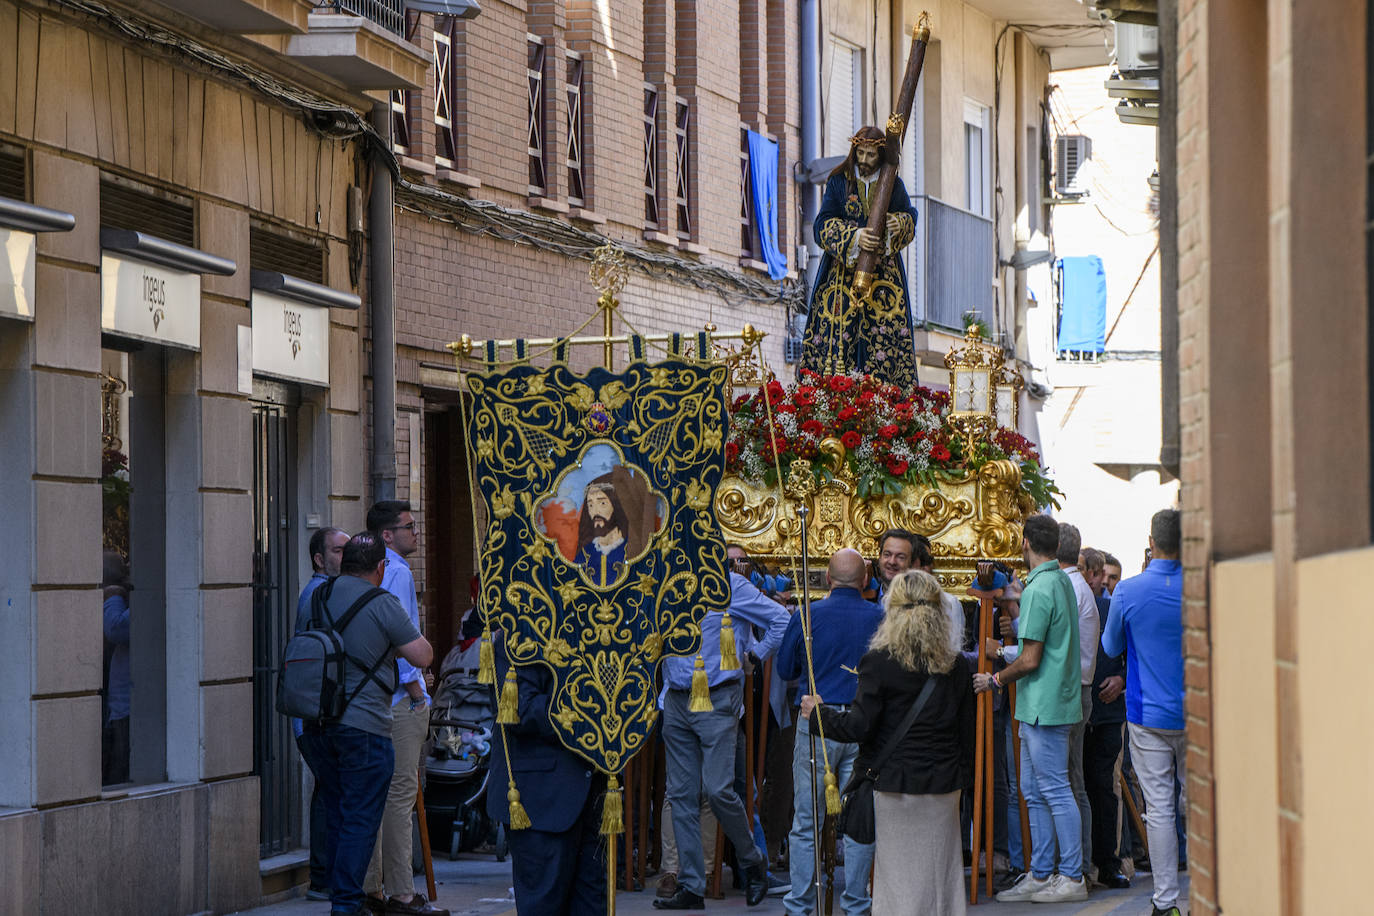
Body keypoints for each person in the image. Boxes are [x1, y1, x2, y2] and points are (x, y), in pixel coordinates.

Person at [800, 570, 974, 914]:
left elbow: (860, 726)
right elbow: (965, 733)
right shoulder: (956, 666)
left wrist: (818, 715)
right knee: (942, 878)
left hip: (896, 786)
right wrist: (962, 783)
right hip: (944, 786)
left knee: (899, 882)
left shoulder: (879, 662)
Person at [296, 532, 434, 916]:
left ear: (344, 562)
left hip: (317, 725)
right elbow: (422, 655)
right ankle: (346, 904)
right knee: (360, 817)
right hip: (365, 726)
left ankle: (336, 893)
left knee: (338, 812)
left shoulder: (318, 596)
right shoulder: (382, 602)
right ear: (380, 567)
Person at [655, 571, 790, 910]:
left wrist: (755, 655)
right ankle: (691, 885)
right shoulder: (663, 579)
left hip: (716, 698)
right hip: (675, 698)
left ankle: (751, 858)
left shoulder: (729, 584)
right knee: (681, 795)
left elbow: (781, 619)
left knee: (717, 790)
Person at [974, 514, 1086, 903]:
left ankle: (1071, 875)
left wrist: (996, 679)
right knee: (1033, 790)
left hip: (1045, 703)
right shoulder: (1059, 582)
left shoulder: (1041, 589)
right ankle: (1041, 872)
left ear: (1024, 543)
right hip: (1045, 702)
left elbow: (1032, 658)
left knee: (1053, 789)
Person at [775, 549, 883, 916]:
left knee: (807, 821)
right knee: (859, 821)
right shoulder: (880, 617)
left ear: (827, 578)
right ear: (865, 578)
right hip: (862, 724)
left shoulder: (808, 615)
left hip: (816, 723)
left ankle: (801, 904)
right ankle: (857, 904)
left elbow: (785, 669)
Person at [1100, 510, 1186, 916]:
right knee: (1200, 807)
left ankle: (1165, 901)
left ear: (1151, 541)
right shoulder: (1203, 586)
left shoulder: (1128, 591)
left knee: (1160, 810)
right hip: (1197, 714)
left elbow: (1112, 645)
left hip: (1146, 713)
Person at [364, 501, 445, 916]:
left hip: (379, 701)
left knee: (380, 797)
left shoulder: (373, 572)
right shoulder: (394, 571)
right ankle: (400, 892)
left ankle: (374, 888)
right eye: (409, 527)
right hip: (398, 701)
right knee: (399, 797)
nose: (417, 533)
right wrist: (415, 688)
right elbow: (395, 638)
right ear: (387, 535)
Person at [488, 641, 607, 914]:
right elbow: (518, 709)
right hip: (540, 797)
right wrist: (585, 703)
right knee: (543, 906)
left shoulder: (593, 629)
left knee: (592, 905)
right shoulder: (519, 631)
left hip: (594, 791)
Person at [799, 126, 919, 387]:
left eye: (870, 155)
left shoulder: (893, 183)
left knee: (884, 341)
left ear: (881, 155)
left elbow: (910, 215)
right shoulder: (839, 181)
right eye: (860, 153)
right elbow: (822, 225)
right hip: (841, 277)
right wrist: (855, 237)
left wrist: (900, 222)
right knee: (838, 340)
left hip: (885, 279)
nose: (864, 160)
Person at [297, 527, 350, 900]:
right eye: (338, 551)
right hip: (316, 715)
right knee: (333, 792)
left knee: (328, 790)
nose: (346, 557)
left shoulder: (322, 591)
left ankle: (324, 876)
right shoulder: (321, 594)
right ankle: (323, 877)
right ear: (320, 558)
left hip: (315, 714)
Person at [1078, 547, 1130, 889]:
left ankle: (1107, 861)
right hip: (1079, 712)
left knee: (1103, 788)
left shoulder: (1114, 610)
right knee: (1080, 785)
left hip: (1108, 713)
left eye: (1087, 571)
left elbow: (1132, 654)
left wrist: (1122, 678)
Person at [1057, 523, 1100, 880]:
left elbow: (1056, 646)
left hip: (1073, 689)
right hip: (1079, 688)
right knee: (1073, 780)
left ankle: (1077, 867)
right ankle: (1079, 865)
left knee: (1069, 782)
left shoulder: (1069, 587)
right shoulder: (1077, 585)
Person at [101, 550, 132, 786]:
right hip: (120, 702)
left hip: (127, 704)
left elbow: (116, 629)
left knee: (120, 770)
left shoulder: (124, 601)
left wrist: (112, 597)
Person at [576, 481, 629, 586]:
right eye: (590, 505)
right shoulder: (584, 554)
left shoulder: (632, 550)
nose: (595, 511)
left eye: (602, 503)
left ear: (616, 506)